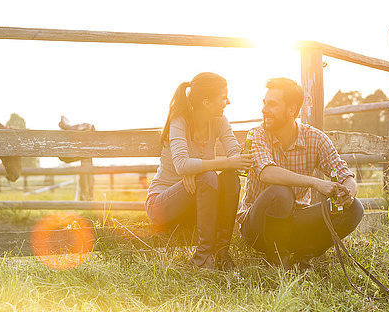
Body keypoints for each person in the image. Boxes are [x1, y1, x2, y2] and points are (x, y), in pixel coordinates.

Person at [237, 78, 364, 269]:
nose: (264, 109)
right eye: (264, 103)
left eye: (272, 104)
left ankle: (303, 256)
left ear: (291, 110)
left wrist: (347, 193)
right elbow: (267, 173)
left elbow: (345, 174)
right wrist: (315, 183)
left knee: (355, 208)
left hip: (295, 222)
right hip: (258, 226)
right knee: (281, 192)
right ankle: (276, 257)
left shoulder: (315, 138)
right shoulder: (257, 135)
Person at [146, 72, 252, 270]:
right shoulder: (179, 121)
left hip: (197, 204)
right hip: (163, 205)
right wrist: (221, 164)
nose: (228, 102)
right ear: (206, 102)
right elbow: (182, 165)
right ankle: (202, 258)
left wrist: (242, 155)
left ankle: (221, 253)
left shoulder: (220, 120)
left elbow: (235, 155)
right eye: (223, 97)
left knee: (229, 178)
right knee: (208, 176)